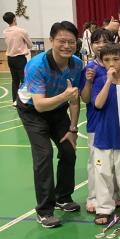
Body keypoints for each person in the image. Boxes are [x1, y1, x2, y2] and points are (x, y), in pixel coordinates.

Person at [16, 21, 83, 228]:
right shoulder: (36, 65)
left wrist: (73, 128)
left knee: (68, 150)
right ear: (51, 40)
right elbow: (39, 104)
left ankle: (63, 197)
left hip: (58, 110)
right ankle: (45, 211)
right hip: (33, 111)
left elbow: (74, 100)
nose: (67, 46)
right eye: (61, 41)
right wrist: (65, 95)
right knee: (44, 154)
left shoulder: (76, 64)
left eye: (71, 42)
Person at [91, 43, 120, 225]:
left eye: (116, 59)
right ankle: (103, 208)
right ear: (101, 62)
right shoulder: (100, 81)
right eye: (107, 60)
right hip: (103, 137)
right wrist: (108, 81)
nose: (111, 63)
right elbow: (98, 104)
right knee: (103, 175)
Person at [78, 28, 114, 214]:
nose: (101, 45)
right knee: (96, 163)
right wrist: (89, 81)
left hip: (115, 123)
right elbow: (85, 98)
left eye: (105, 41)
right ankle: (93, 197)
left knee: (113, 163)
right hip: (96, 123)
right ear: (91, 45)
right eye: (97, 42)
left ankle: (112, 195)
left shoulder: (117, 65)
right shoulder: (89, 69)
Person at [2, 11, 32, 105]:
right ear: (14, 18)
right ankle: (24, 101)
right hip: (20, 58)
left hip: (10, 58)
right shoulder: (21, 31)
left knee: (15, 80)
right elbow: (30, 45)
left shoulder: (5, 31)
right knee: (24, 80)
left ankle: (15, 100)